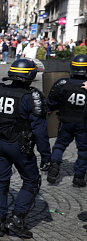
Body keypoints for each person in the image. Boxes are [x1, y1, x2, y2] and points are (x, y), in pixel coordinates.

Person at [0, 59, 51, 239]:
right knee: (32, 180)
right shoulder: (31, 96)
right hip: (20, 145)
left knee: (0, 182)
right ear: (30, 77)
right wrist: (46, 155)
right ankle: (17, 219)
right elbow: (40, 130)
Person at [46, 54, 87, 187]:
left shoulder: (62, 83)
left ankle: (55, 164)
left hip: (65, 120)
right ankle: (79, 177)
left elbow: (51, 101)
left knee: (60, 145)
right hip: (83, 123)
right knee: (83, 150)